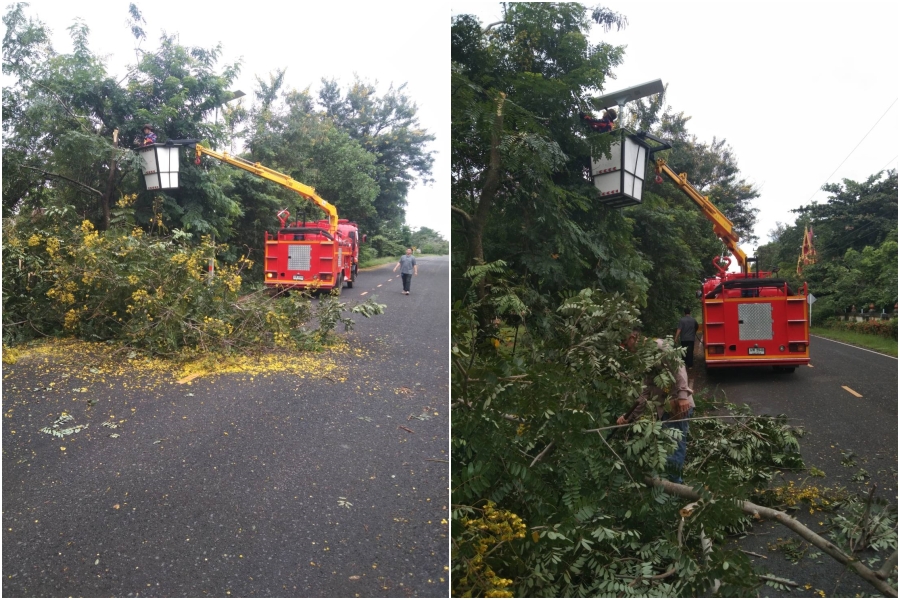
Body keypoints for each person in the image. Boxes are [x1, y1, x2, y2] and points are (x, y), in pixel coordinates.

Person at [616, 328, 695, 484]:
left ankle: (674, 488)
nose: (625, 349)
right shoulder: (644, 357)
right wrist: (628, 416)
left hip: (678, 406)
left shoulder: (659, 346)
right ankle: (667, 485)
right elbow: (646, 392)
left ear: (633, 336)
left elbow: (679, 367)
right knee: (665, 448)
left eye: (625, 344)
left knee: (674, 446)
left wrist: (682, 397)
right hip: (664, 408)